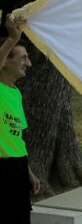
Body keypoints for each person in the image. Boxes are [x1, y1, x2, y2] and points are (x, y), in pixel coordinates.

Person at [0, 15, 40, 224]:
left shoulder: (15, 93)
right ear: (5, 60)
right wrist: (11, 39)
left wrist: (28, 172)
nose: (29, 63)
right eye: (23, 58)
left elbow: (18, 139)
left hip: (17, 167)